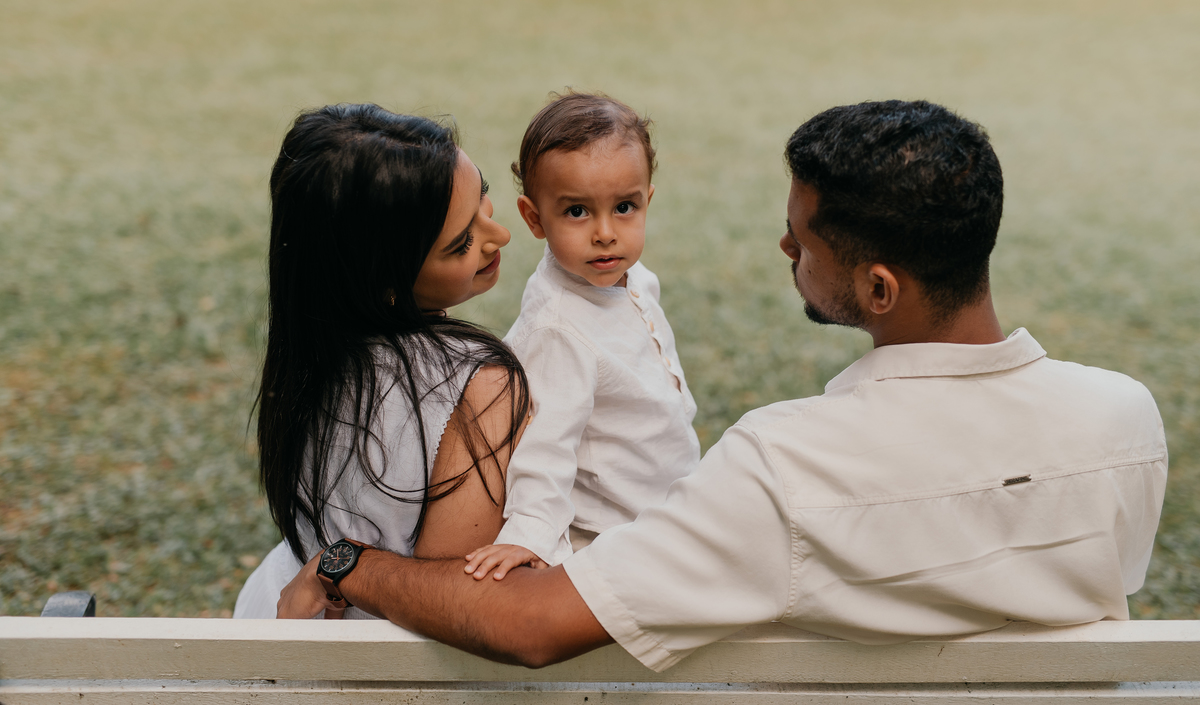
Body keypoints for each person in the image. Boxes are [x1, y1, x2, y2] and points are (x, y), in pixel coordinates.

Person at [276, 100, 1167, 671]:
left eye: (800, 239)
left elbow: (531, 626)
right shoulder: (1128, 417)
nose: (784, 249)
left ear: (879, 287)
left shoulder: (786, 466)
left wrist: (350, 561)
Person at [233, 103, 530, 619]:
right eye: (462, 243)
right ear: (386, 284)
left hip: (275, 611)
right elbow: (462, 601)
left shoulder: (309, 356)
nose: (499, 235)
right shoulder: (479, 387)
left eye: (485, 200)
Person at [463, 93, 700, 582]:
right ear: (534, 218)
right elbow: (545, 441)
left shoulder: (632, 279)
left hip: (661, 502)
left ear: (647, 200)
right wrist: (527, 533)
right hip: (610, 531)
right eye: (576, 212)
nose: (605, 233)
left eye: (625, 207)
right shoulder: (558, 329)